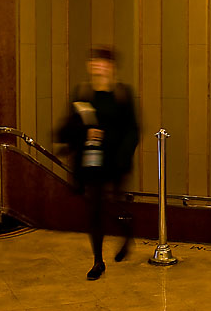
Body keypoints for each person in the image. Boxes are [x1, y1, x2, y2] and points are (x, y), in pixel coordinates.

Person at [58, 46, 139, 280]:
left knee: (114, 205)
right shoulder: (82, 93)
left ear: (111, 67)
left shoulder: (122, 94)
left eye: (102, 62)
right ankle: (97, 261)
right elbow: (69, 125)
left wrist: (123, 155)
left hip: (115, 160)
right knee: (94, 210)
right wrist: (85, 133)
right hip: (91, 161)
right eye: (94, 62)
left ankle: (127, 232)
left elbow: (132, 129)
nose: (97, 66)